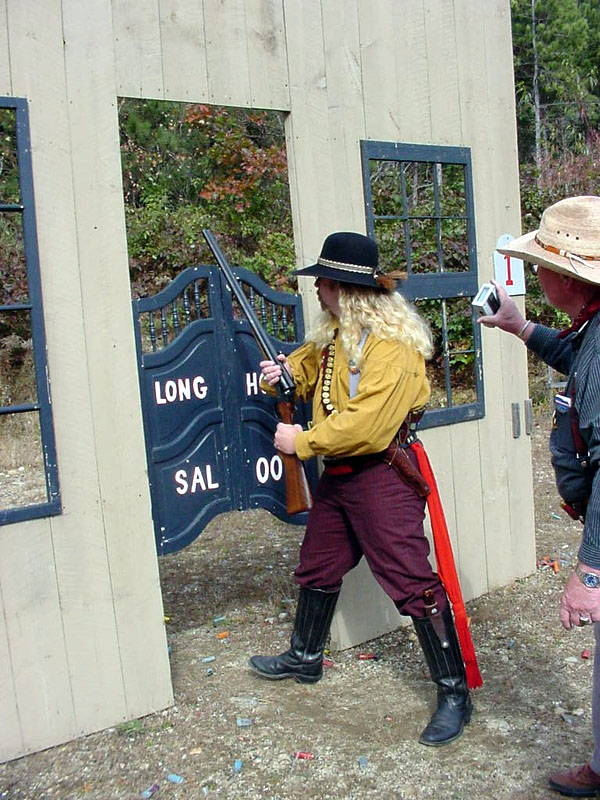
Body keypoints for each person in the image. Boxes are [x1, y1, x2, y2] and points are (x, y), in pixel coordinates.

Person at [248, 230, 474, 746]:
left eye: (324, 283)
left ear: (345, 289)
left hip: (380, 477)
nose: (318, 291)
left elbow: (367, 425)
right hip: (341, 480)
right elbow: (306, 371)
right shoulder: (336, 332)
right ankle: (305, 658)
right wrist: (280, 375)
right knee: (319, 564)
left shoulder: (393, 349)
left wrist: (301, 440)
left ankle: (455, 693)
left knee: (413, 583)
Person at [480, 196, 600, 796]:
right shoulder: (593, 328)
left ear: (567, 276)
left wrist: (590, 571)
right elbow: (574, 353)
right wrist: (520, 326)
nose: (535, 274)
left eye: (541, 265)